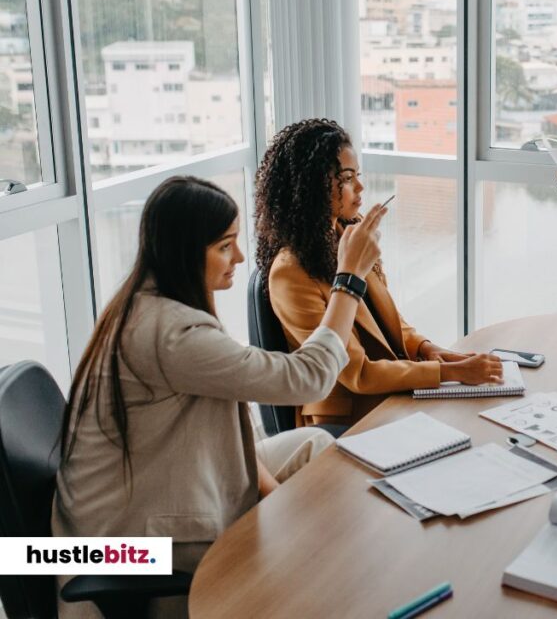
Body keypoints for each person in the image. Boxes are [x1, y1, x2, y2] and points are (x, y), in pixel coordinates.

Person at [53, 176, 384, 618]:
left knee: (317, 445)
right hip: (126, 545)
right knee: (303, 509)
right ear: (187, 251)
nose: (240, 258)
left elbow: (230, 423)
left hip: (154, 489)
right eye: (226, 246)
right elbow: (309, 378)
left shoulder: (156, 303)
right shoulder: (170, 335)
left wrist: (276, 495)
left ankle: (328, 566)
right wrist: (348, 281)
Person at [254, 118, 502, 426]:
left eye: (357, 175)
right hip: (344, 420)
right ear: (310, 187)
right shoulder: (289, 274)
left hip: (386, 394)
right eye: (346, 178)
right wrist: (449, 372)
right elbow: (358, 374)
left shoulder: (347, 233)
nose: (359, 187)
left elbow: (389, 321)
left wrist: (428, 349)